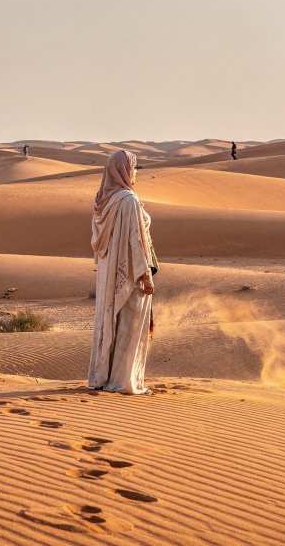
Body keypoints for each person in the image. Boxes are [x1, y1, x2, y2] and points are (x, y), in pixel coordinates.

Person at [89, 150, 158, 395]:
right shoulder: (128, 200)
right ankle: (124, 381)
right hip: (130, 275)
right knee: (130, 326)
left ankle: (104, 378)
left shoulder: (103, 201)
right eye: (134, 168)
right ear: (124, 171)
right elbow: (135, 239)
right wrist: (145, 275)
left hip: (109, 274)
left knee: (112, 324)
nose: (136, 173)